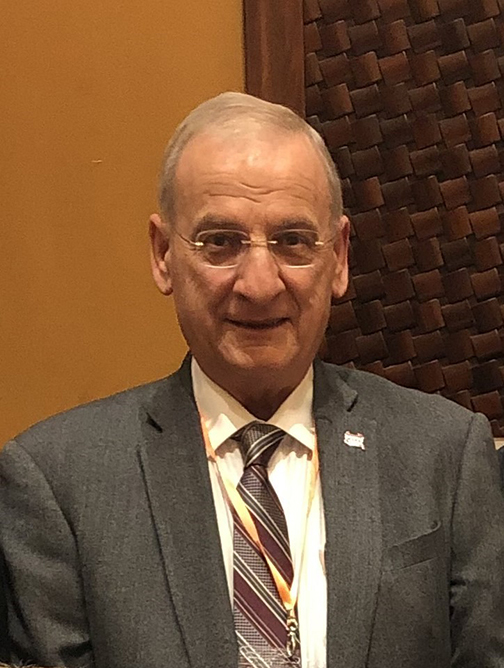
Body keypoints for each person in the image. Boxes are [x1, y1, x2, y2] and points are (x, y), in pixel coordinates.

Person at [1, 92, 503, 668]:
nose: (259, 284)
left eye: (293, 241)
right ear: (164, 255)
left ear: (338, 257)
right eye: (221, 243)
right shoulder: (57, 483)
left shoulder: (445, 455)